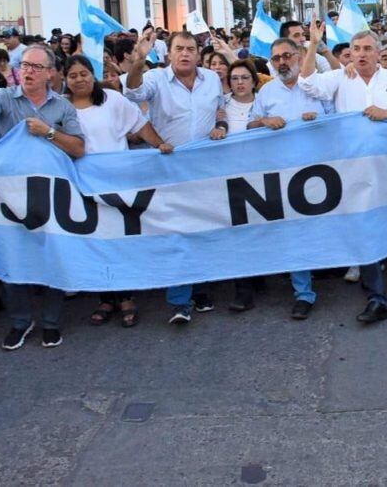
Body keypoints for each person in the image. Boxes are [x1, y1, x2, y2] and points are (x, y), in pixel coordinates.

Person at [0, 45, 86, 350]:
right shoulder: (5, 99)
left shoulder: (63, 108)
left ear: (51, 74)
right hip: (9, 194)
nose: (27, 71)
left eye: (35, 66)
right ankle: (20, 321)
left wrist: (48, 132)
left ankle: (51, 322)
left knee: (53, 254)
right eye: (24, 65)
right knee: (12, 256)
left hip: (50, 195)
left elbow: (79, 148)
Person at [298, 23, 387, 324]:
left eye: (367, 49)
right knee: (366, 226)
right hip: (352, 166)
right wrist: (313, 44)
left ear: (379, 53)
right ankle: (377, 297)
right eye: (356, 49)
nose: (361, 55)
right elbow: (307, 82)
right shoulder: (341, 77)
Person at [124, 30, 227, 325]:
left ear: (198, 53)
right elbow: (133, 92)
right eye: (179, 49)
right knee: (177, 233)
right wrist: (138, 61)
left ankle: (202, 288)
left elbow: (219, 106)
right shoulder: (156, 79)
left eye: (190, 49)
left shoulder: (211, 79)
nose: (185, 54)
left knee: (205, 229)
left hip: (205, 169)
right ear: (169, 53)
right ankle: (180, 300)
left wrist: (220, 125)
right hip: (169, 168)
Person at [63, 54, 170, 328]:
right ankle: (105, 298)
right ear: (65, 79)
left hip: (118, 184)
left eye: (84, 74)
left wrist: (160, 145)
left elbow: (140, 126)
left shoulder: (113, 100)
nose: (79, 80)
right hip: (83, 187)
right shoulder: (61, 109)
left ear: (92, 75)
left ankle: (127, 297)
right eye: (73, 76)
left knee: (120, 241)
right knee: (96, 243)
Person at [243, 37, 331, 319]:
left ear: (300, 55)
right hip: (284, 173)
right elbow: (250, 124)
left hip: (321, 172)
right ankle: (303, 293)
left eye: (287, 56)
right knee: (295, 233)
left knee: (322, 228)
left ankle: (335, 267)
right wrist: (264, 122)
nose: (282, 62)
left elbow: (340, 120)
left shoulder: (317, 86)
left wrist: (320, 122)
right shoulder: (267, 93)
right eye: (276, 58)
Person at [224, 60, 258, 134]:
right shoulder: (222, 103)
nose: (240, 82)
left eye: (245, 77)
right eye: (235, 78)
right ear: (229, 83)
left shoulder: (264, 102)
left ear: (254, 82)